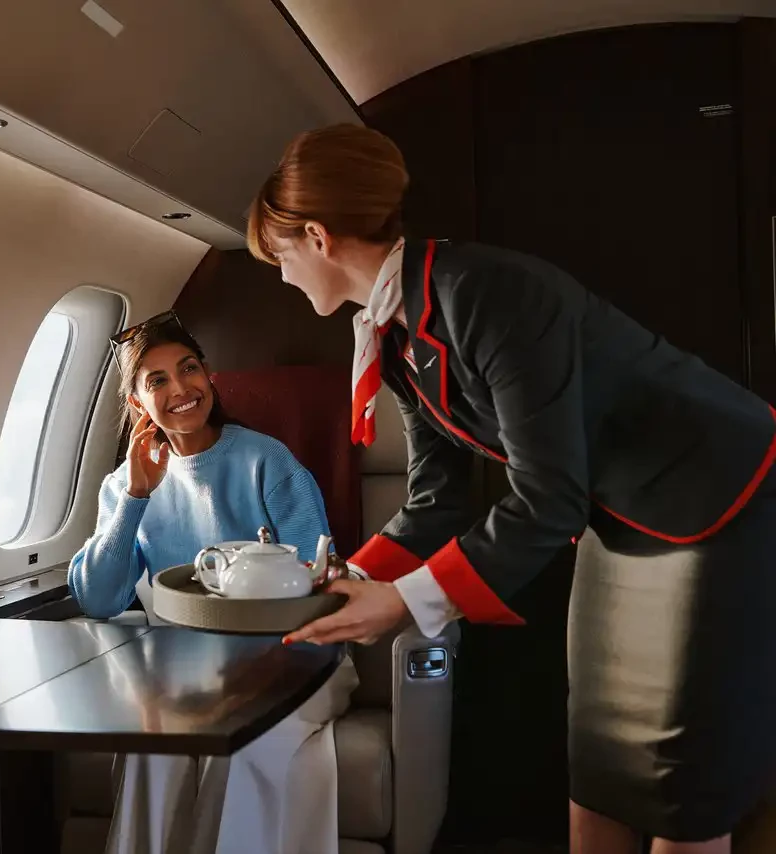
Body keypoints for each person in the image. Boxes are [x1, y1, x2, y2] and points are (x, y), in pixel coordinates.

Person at [246, 122, 776, 854]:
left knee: (680, 793)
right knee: (599, 773)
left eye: (280, 255)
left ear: (317, 237)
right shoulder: (394, 333)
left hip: (720, 503)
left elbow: (546, 497)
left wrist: (402, 602)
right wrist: (346, 581)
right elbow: (438, 497)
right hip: (619, 524)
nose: (281, 273)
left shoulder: (488, 296)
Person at [68, 311, 359, 854]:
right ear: (137, 405)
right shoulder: (125, 487)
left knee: (246, 746)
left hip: (292, 664)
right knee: (152, 749)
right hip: (187, 676)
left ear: (209, 376)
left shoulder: (266, 460)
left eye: (189, 369)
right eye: (157, 381)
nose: (181, 389)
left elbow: (320, 582)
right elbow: (100, 599)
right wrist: (135, 497)